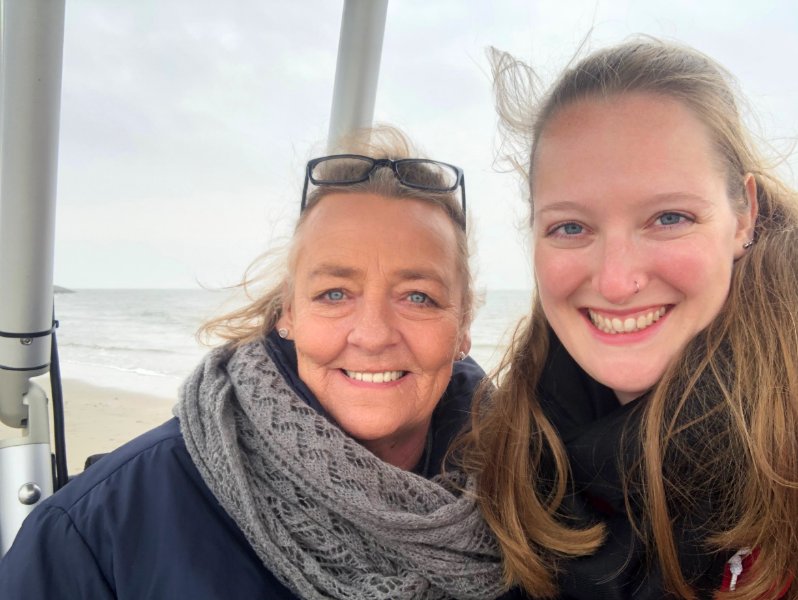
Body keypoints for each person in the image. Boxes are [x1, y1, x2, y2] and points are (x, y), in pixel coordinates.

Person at [0, 127, 511, 599]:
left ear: (463, 324)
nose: (373, 335)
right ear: (289, 313)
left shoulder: (527, 503)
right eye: (334, 293)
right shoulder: (97, 531)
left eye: (418, 297)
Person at [461, 40, 797, 599]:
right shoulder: (507, 447)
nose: (616, 282)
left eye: (669, 217)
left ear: (744, 217)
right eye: (571, 227)